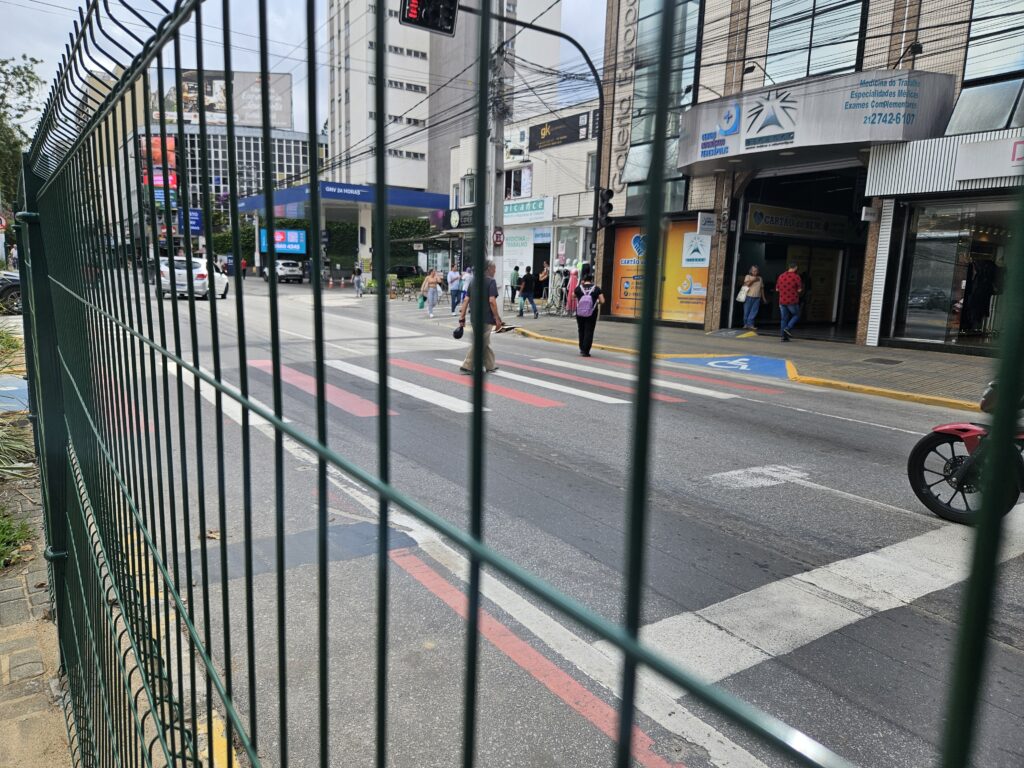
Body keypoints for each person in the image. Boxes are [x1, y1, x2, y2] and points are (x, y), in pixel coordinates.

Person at [457, 260, 503, 374]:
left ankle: (490, 365)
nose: (495, 271)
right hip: (486, 318)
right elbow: (492, 301)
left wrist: (462, 317)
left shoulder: (474, 281)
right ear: (488, 269)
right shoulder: (491, 281)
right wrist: (497, 318)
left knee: (484, 341)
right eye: (494, 269)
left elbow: (466, 300)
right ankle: (467, 365)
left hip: (474, 318)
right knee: (480, 342)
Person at [574, 266, 604, 356]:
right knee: (589, 330)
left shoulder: (579, 288)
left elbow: (572, 296)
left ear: (584, 280)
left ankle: (581, 348)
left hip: (580, 313)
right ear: (591, 280)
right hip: (592, 313)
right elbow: (602, 301)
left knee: (581, 330)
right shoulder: (596, 289)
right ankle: (586, 351)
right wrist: (597, 301)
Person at [775, 263, 803, 342]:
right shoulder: (796, 277)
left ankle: (783, 337)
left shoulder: (781, 276)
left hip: (782, 301)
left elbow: (777, 289)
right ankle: (788, 328)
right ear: (795, 268)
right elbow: (799, 290)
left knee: (784, 319)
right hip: (792, 301)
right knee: (797, 315)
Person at [740, 265, 765, 330]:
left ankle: (750, 324)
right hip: (748, 296)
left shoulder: (760, 278)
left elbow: (762, 288)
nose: (755, 272)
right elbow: (746, 285)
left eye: (756, 271)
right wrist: (753, 280)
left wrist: (763, 298)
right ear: (750, 271)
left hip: (757, 297)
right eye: (753, 271)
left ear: (758, 271)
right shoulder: (747, 276)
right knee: (746, 311)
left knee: (754, 312)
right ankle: (745, 324)